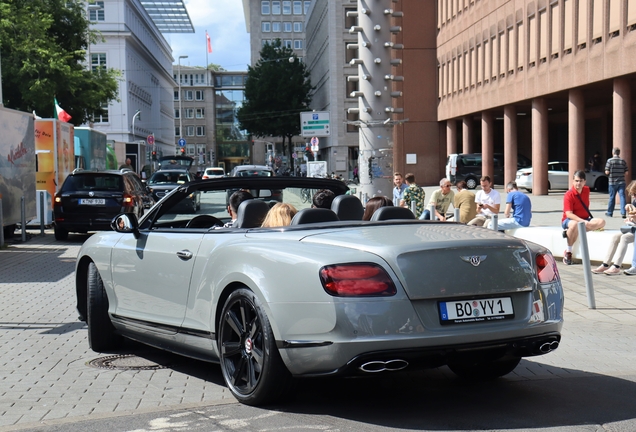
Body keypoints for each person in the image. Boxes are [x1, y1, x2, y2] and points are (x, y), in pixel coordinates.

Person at [562, 170, 606, 265]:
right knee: (574, 224)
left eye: (581, 181)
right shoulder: (568, 194)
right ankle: (568, 251)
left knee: (602, 222)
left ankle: (575, 230)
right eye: (576, 181)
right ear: (573, 181)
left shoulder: (586, 190)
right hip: (569, 220)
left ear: (584, 182)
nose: (578, 183)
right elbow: (568, 214)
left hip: (585, 219)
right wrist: (582, 221)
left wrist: (584, 222)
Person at [592, 181, 636, 275]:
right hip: (633, 228)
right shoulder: (635, 202)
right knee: (615, 237)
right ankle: (605, 264)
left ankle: (616, 266)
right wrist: (630, 218)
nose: (633, 196)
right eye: (632, 194)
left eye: (635, 194)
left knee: (624, 238)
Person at [605, 147, 629, 218]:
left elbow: (607, 172)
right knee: (622, 197)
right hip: (621, 182)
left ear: (613, 152)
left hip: (612, 182)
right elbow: (627, 173)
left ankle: (610, 213)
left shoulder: (609, 161)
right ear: (619, 153)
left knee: (612, 197)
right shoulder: (623, 161)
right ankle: (623, 212)